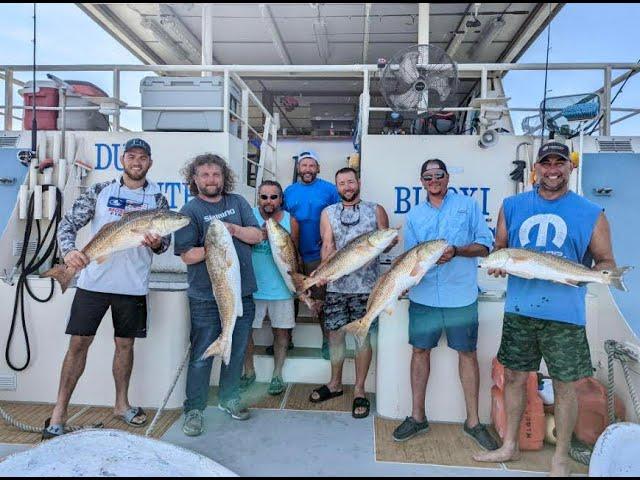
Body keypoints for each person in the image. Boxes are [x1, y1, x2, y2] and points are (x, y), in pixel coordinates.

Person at [474, 142, 620, 476]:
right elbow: (501, 248)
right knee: (513, 377)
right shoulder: (511, 205)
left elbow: (606, 262)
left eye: (559, 164)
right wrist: (499, 264)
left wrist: (589, 277)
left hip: (565, 316)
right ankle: (509, 445)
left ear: (571, 168)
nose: (552, 170)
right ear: (535, 169)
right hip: (520, 310)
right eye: (546, 164)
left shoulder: (591, 212)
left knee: (566, 385)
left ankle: (561, 460)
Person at [43, 138, 170, 439]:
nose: (136, 162)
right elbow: (68, 224)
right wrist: (69, 252)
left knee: (125, 346)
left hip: (133, 286)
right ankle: (59, 411)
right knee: (78, 345)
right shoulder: (101, 191)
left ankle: (121, 405)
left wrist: (158, 243)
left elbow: (164, 245)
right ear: (122, 160)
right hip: (92, 283)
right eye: (131, 156)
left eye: (142, 157)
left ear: (150, 163)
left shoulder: (158, 199)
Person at [392, 158, 498, 451]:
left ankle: (474, 422)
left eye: (439, 174)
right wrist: (399, 285)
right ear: (422, 181)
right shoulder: (414, 216)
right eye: (428, 176)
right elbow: (412, 259)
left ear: (447, 177)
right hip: (423, 297)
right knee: (419, 351)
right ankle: (417, 417)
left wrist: (457, 251)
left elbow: (485, 245)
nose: (434, 179)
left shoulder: (468, 206)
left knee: (467, 354)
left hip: (461, 296)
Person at [174, 154, 262, 436]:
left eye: (216, 175)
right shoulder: (190, 210)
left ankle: (229, 398)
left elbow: (257, 235)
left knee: (236, 351)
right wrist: (216, 243)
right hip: (205, 297)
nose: (211, 180)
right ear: (195, 179)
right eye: (205, 175)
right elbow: (187, 256)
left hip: (242, 293)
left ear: (224, 177)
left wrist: (232, 230)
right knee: (201, 356)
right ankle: (195, 410)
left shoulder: (236, 202)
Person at [308, 167, 396, 418]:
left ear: (358, 183)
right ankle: (334, 384)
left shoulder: (376, 209)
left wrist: (390, 241)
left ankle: (359, 390)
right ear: (336, 187)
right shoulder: (328, 212)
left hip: (367, 288)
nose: (346, 187)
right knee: (334, 336)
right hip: (336, 286)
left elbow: (385, 240)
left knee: (362, 338)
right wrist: (323, 274)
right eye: (341, 183)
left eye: (350, 181)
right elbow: (327, 244)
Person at [240, 180, 300, 396]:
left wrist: (297, 286)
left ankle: (277, 375)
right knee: (246, 333)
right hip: (252, 287)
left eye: (273, 197)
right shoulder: (247, 216)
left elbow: (294, 254)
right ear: (258, 198)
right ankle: (249, 371)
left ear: (281, 199)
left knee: (282, 333)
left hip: (281, 289)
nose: (268, 201)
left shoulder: (291, 221)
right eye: (264, 196)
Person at [283, 150, 340, 360]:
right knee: (291, 298)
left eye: (311, 165)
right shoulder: (288, 191)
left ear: (318, 168)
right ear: (298, 168)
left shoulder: (330, 190)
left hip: (318, 254)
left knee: (321, 299)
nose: (307, 169)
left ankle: (327, 341)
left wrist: (329, 239)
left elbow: (338, 215)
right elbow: (281, 220)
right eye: (304, 165)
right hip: (294, 253)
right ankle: (286, 339)